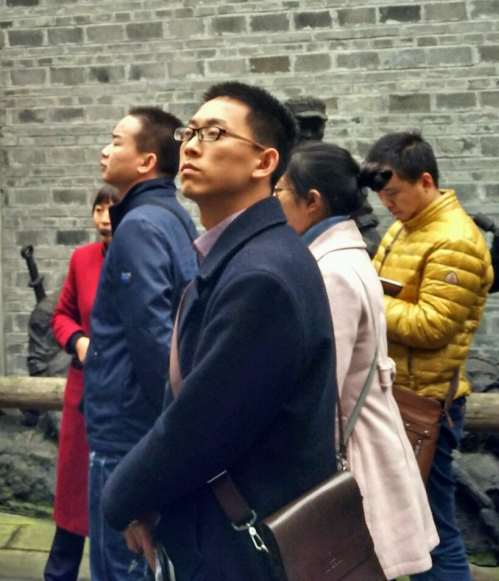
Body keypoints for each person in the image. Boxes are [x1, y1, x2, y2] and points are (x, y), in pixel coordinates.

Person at [101, 82, 338, 581]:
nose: (191, 146)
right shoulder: (244, 256)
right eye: (189, 133)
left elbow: (201, 425)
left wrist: (122, 497)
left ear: (264, 162)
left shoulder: (262, 275)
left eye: (213, 133)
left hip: (243, 543)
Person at [274, 142, 438, 579]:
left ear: (312, 202)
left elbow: (324, 386)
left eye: (281, 191)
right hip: (369, 437)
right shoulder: (345, 255)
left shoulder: (330, 271)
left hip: (355, 451)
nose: (275, 200)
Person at [365, 131, 492, 581]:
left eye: (394, 193)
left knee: (433, 534)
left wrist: (365, 299)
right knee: (412, 531)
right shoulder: (405, 227)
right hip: (398, 395)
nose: (387, 204)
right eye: (381, 195)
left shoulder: (455, 240)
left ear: (425, 181)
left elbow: (433, 325)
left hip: (427, 403)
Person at [83, 106, 198, 581]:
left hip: (128, 429)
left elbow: (152, 336)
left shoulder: (139, 226)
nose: (104, 151)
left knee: (123, 565)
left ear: (147, 161)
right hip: (146, 425)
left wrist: (171, 426)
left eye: (116, 141)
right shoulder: (173, 217)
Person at [42, 183, 119, 581]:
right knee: (73, 493)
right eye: (98, 209)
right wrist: (77, 340)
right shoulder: (82, 259)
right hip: (83, 389)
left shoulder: (142, 258)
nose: (104, 218)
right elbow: (61, 315)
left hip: (123, 393)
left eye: (112, 209)